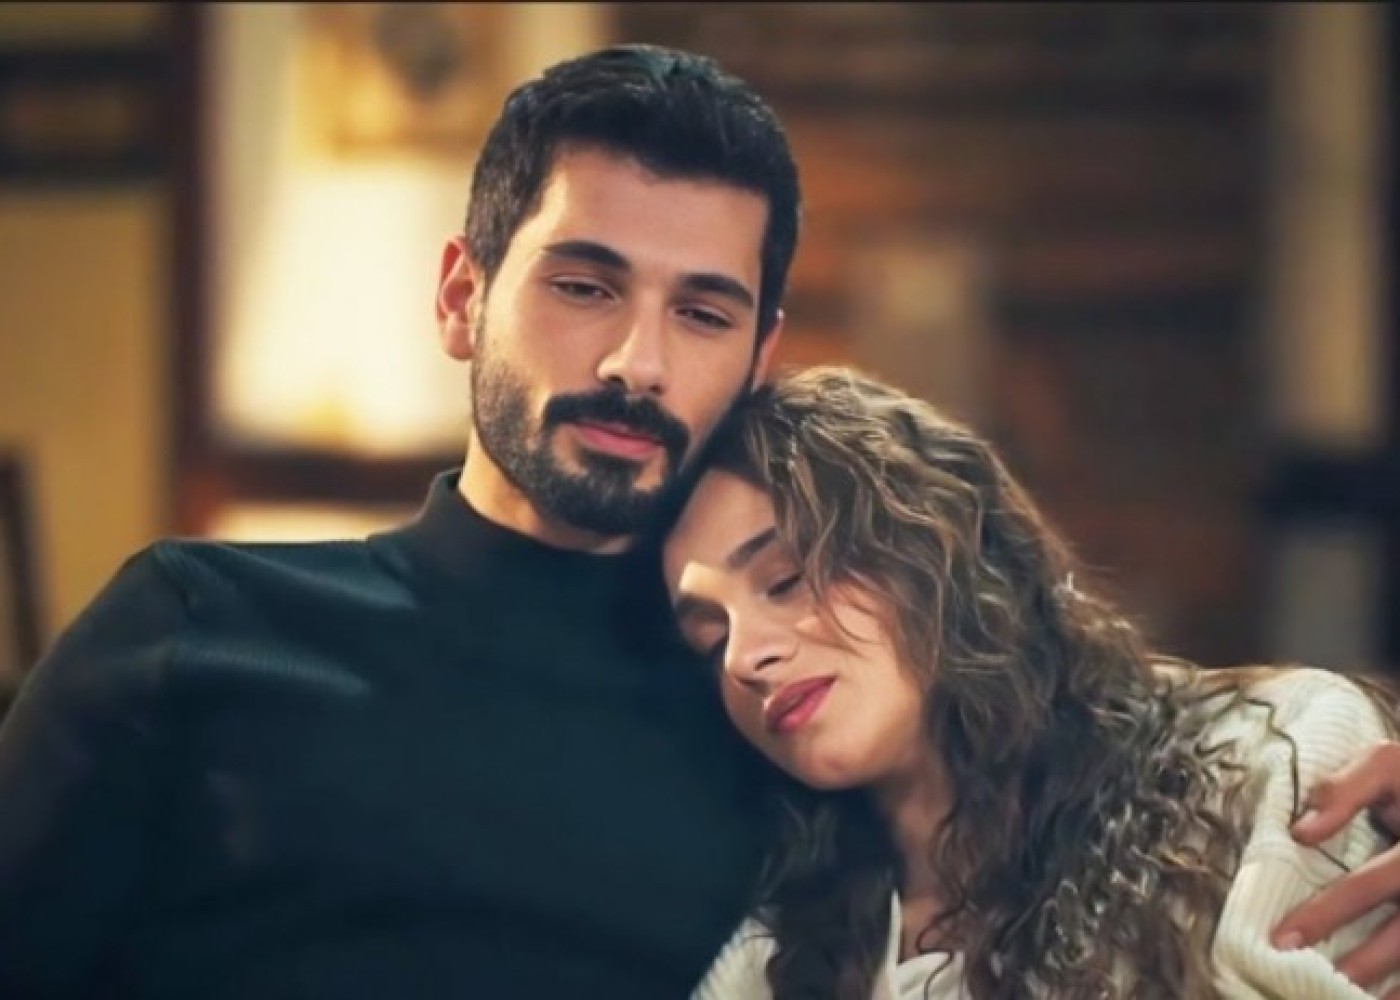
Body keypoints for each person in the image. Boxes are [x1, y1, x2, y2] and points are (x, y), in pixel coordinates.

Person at [0, 40, 1396, 1000]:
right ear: (462, 297)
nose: (638, 362)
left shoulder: (796, 716)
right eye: (584, 285)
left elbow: (1099, 746)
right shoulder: (200, 633)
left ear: (761, 350)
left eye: (703, 311)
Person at [663, 365, 1400, 998]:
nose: (743, 657)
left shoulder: (1265, 766)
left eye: (786, 579)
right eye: (710, 639)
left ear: (938, 543)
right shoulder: (771, 962)